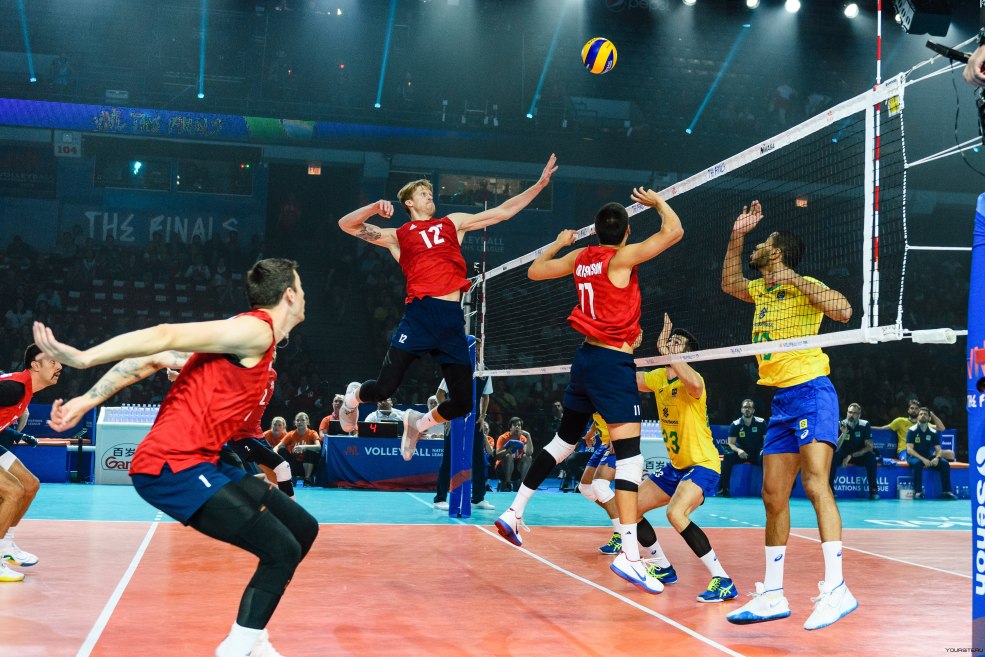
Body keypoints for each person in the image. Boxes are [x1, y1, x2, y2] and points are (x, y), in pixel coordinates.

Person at [33, 258, 318, 657]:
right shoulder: (256, 331)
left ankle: (252, 635)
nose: (305, 295)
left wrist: (86, 399)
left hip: (209, 459)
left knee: (302, 530)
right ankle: (238, 648)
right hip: (173, 465)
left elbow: (155, 358)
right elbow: (165, 334)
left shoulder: (242, 343)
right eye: (301, 288)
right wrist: (83, 359)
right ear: (289, 294)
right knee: (281, 550)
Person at [495, 187, 683, 596]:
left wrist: (559, 243)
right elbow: (673, 232)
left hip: (584, 360)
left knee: (562, 442)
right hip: (613, 364)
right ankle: (631, 558)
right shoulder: (622, 257)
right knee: (630, 461)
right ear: (627, 232)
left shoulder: (581, 258)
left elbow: (534, 271)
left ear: (595, 233)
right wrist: (659, 204)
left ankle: (514, 511)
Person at [336, 155, 558, 462]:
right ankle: (352, 397)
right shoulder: (398, 236)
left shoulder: (451, 223)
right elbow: (346, 225)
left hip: (451, 319)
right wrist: (375, 207)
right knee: (384, 388)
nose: (430, 196)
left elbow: (503, 212)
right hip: (419, 317)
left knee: (464, 402)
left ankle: (418, 424)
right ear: (409, 203)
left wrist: (539, 185)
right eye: (423, 193)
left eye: (430, 192)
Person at [721, 200, 857, 630]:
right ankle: (773, 594)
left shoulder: (804, 284)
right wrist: (737, 236)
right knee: (773, 496)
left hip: (812, 391)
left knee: (816, 484)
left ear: (777, 253)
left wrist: (794, 279)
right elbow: (729, 284)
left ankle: (837, 588)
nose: (759, 246)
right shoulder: (760, 290)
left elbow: (844, 311)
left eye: (763, 242)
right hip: (780, 400)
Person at [635, 315, 738, 603]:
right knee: (629, 509)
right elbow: (629, 377)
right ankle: (662, 566)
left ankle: (723, 579)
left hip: (703, 464)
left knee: (675, 514)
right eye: (671, 339)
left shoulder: (693, 381)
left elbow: (692, 382)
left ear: (688, 354)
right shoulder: (658, 378)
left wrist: (669, 354)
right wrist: (620, 346)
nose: (670, 343)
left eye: (677, 342)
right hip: (676, 467)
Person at [0, 344, 61, 582]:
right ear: (35, 366)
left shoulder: (25, 392)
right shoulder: (13, 389)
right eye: (53, 362)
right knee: (12, 490)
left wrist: (16, 435)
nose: (59, 367)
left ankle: (5, 544)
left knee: (29, 484)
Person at [432, 373, 494, 510]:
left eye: (480, 349)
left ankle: (478, 498)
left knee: (479, 458)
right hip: (455, 418)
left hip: (475, 419)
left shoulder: (486, 372)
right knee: (449, 457)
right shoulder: (455, 367)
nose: (478, 350)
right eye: (477, 348)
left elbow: (485, 395)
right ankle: (440, 499)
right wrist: (447, 415)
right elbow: (440, 394)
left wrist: (483, 415)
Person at [575, 414, 621, 555]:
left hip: (617, 441)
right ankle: (623, 518)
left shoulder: (607, 393)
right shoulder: (590, 394)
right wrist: (591, 432)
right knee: (585, 487)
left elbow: (618, 412)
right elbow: (599, 415)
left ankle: (622, 535)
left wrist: (616, 435)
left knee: (600, 486)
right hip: (604, 443)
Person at [906, 407, 958, 500]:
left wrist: (937, 458)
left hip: (928, 456)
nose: (923, 416)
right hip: (913, 457)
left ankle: (947, 491)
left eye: (925, 414)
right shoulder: (912, 430)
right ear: (918, 417)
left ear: (929, 418)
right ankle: (918, 492)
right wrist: (923, 459)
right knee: (917, 464)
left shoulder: (933, 432)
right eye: (921, 414)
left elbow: (939, 450)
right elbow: (909, 450)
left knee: (944, 464)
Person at [829, 403, 878, 500]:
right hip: (842, 454)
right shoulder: (841, 424)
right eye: (850, 412)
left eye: (855, 413)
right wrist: (843, 434)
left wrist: (851, 455)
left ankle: (873, 490)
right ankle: (830, 490)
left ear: (859, 415)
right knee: (833, 457)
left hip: (857, 455)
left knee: (871, 457)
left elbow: (869, 447)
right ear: (847, 413)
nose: (851, 415)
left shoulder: (864, 425)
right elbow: (836, 448)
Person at [873, 399, 950, 462]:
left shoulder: (923, 423)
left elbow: (941, 428)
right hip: (904, 451)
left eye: (916, 409)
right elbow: (883, 428)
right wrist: (867, 426)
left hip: (920, 451)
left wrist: (932, 414)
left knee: (950, 454)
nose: (914, 410)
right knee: (910, 461)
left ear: (919, 411)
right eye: (912, 408)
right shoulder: (900, 421)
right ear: (908, 410)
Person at [719, 399, 766, 497]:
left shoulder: (761, 422)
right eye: (745, 407)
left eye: (749, 407)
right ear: (741, 410)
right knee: (728, 457)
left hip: (757, 453)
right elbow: (731, 443)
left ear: (753, 410)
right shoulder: (735, 424)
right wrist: (739, 450)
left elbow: (766, 440)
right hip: (741, 453)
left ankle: (767, 490)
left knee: (766, 457)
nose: (747, 409)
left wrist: (763, 450)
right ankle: (724, 489)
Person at [275, 412, 321, 486]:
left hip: (308, 466)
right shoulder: (291, 434)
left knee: (310, 451)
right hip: (294, 466)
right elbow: (278, 446)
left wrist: (303, 447)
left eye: (302, 420)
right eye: (298, 420)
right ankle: (285, 478)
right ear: (295, 423)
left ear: (307, 422)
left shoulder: (312, 433)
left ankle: (307, 480)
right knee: (281, 450)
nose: (300, 422)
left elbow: (318, 447)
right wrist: (275, 451)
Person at [493, 417, 533, 493]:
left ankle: (521, 484)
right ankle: (508, 484)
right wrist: (509, 449)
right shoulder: (503, 438)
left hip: (516, 469)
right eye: (515, 425)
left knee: (528, 457)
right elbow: (497, 456)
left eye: (519, 425)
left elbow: (529, 453)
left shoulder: (523, 438)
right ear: (510, 428)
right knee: (508, 456)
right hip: (502, 470)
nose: (517, 427)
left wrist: (528, 435)